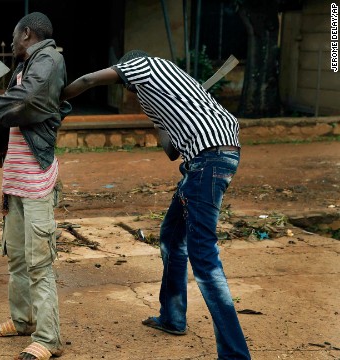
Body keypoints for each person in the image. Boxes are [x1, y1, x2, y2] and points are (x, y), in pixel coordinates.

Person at [61, 50, 251, 359]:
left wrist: (58, 97)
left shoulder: (144, 64)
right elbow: (171, 151)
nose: (126, 86)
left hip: (208, 159)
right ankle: (173, 317)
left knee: (203, 255)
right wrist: (163, 119)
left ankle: (234, 354)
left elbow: (89, 79)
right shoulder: (163, 93)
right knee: (173, 236)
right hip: (207, 159)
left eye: (125, 80)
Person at [0, 12, 69, 360]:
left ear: (26, 33)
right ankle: (23, 320)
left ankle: (48, 338)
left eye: (13, 36)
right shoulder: (25, 67)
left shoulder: (49, 60)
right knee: (17, 259)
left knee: (39, 263)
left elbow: (26, 101)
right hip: (16, 182)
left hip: (36, 183)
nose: (10, 43)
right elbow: (19, 114)